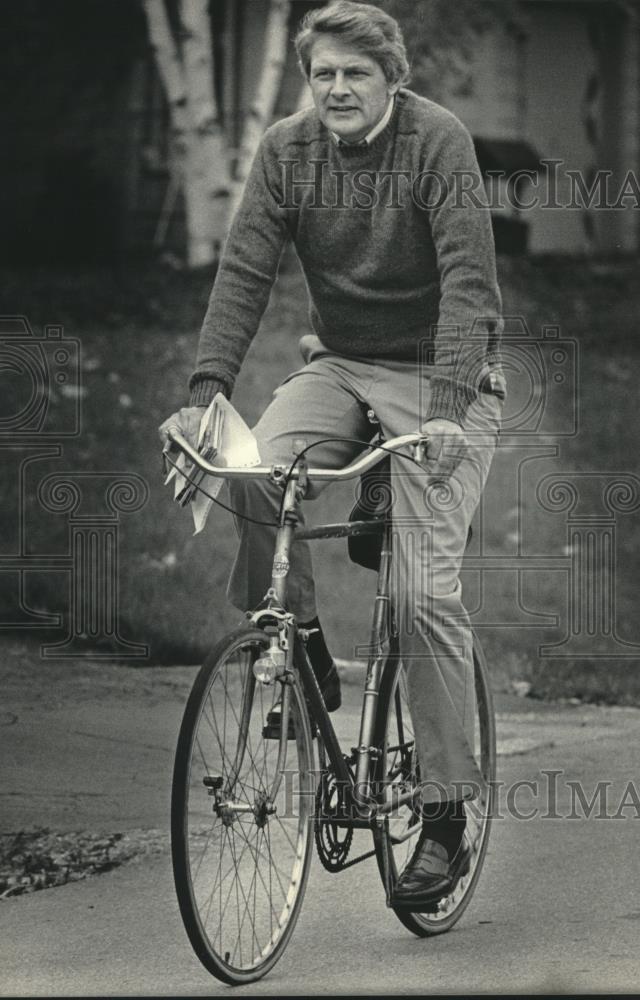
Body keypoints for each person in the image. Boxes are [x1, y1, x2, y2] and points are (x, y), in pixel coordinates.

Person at [160, 0, 505, 907]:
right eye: (324, 74)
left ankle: (445, 818)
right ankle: (301, 641)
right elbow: (244, 269)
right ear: (308, 81)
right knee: (251, 471)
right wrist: (205, 395)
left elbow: (472, 285)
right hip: (342, 366)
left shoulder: (438, 143)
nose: (339, 89)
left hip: (442, 382)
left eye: (357, 72)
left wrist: (445, 410)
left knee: (421, 594)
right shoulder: (288, 150)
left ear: (393, 77)